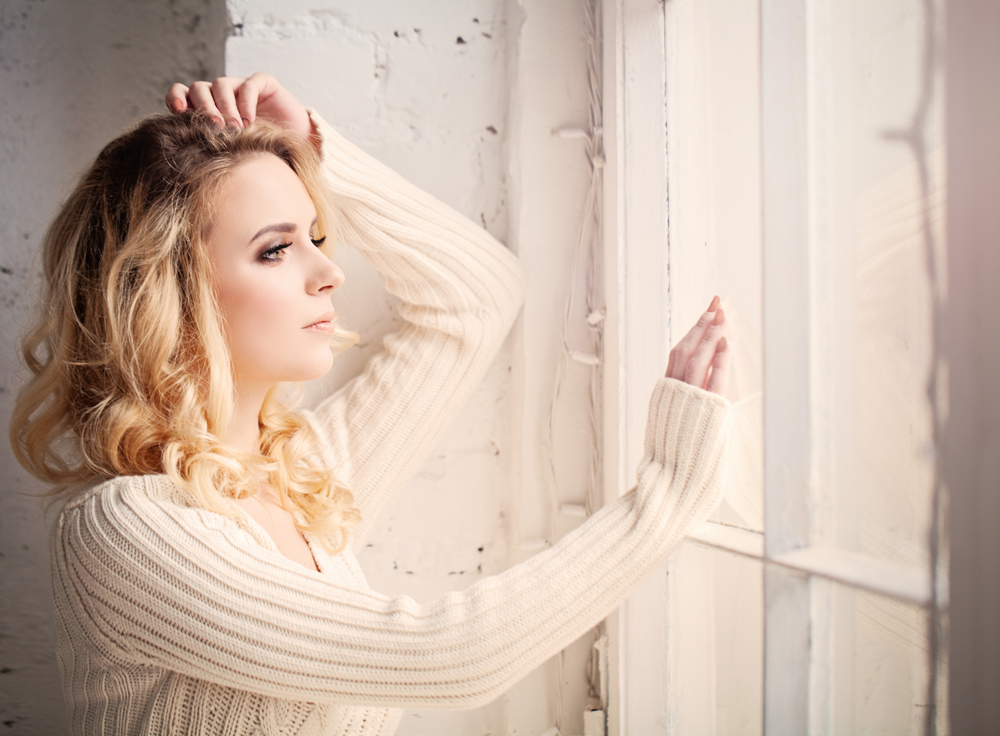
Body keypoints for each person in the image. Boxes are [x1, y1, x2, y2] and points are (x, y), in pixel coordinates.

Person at [11, 73, 744, 736]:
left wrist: (318, 150)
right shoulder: (125, 531)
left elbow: (475, 300)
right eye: (275, 249)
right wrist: (669, 491)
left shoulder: (306, 477)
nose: (329, 272)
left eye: (317, 238)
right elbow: (446, 658)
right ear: (167, 294)